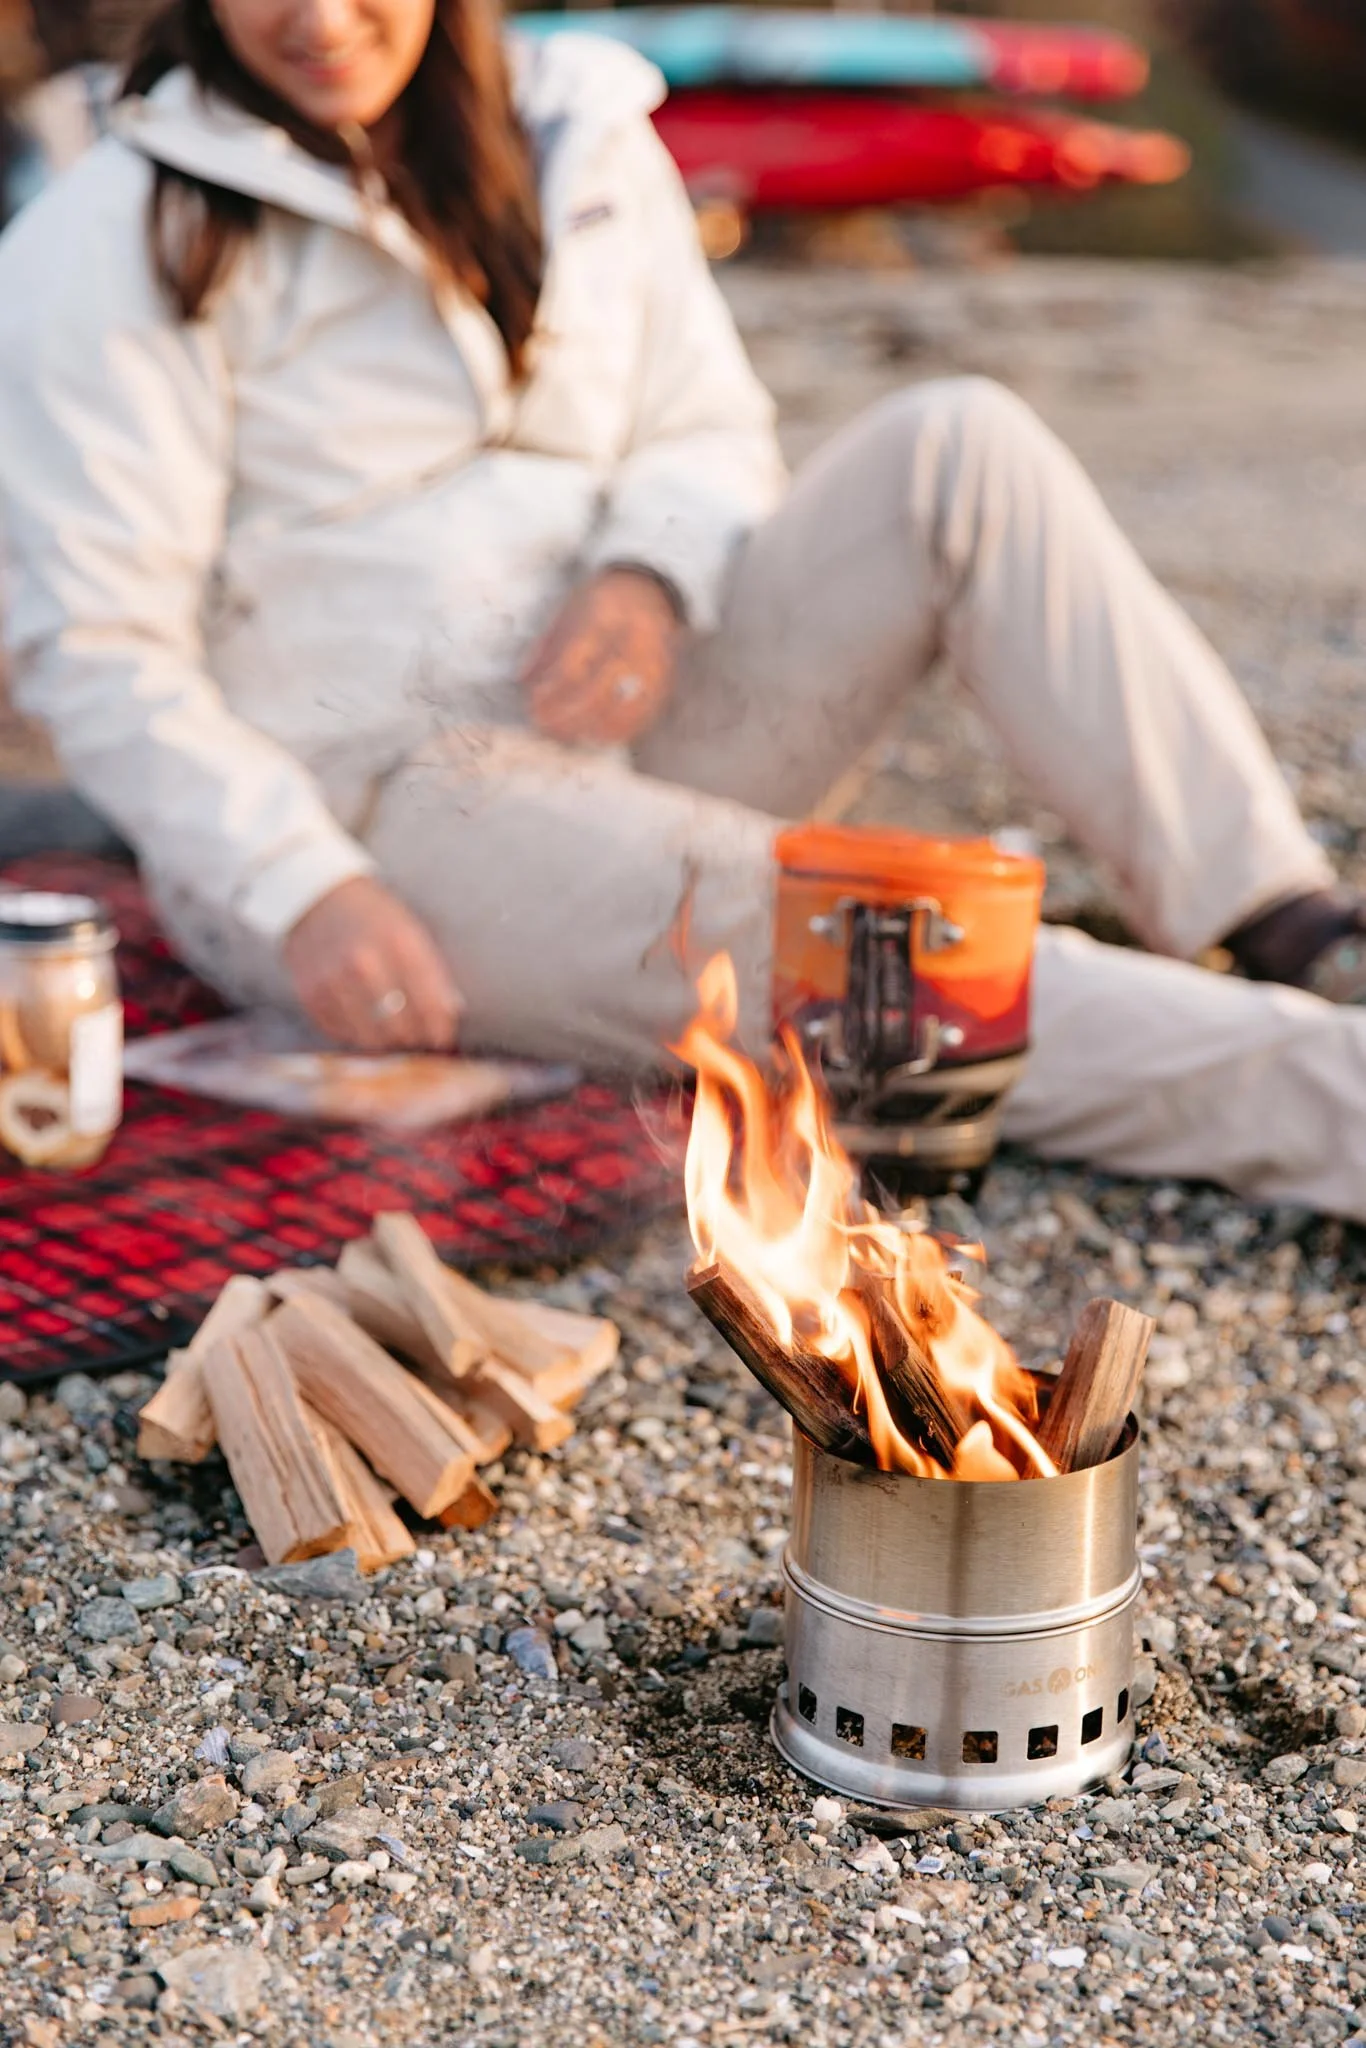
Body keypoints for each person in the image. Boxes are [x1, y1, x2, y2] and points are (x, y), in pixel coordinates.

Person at [2, 0, 1366, 1219]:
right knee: (892, 945)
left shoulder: (580, 130)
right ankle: (1331, 1106)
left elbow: (704, 426)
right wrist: (302, 890)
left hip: (633, 715)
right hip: (379, 822)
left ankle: (1277, 920)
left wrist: (651, 579)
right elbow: (95, 646)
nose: (317, 18)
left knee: (960, 443)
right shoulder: (110, 231)